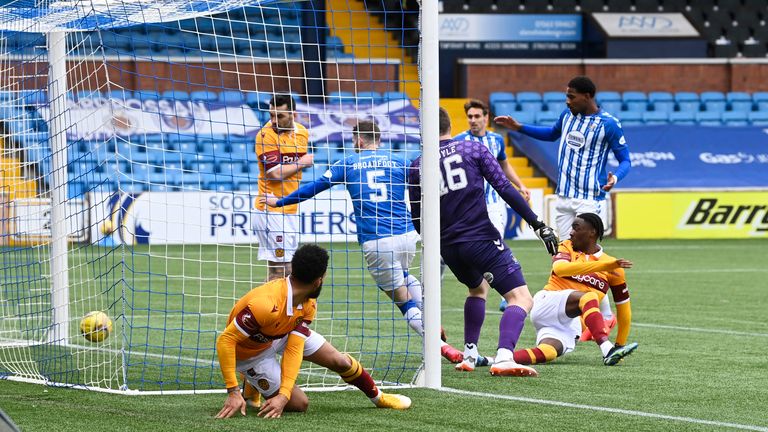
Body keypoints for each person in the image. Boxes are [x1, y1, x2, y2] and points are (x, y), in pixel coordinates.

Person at [262, 120, 464, 364]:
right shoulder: (400, 161)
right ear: (378, 139)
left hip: (377, 241)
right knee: (405, 275)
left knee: (402, 300)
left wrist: (279, 202)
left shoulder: (348, 163)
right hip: (409, 236)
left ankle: (439, 345)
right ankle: (430, 318)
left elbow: (313, 188)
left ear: (359, 140)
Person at [408, 107, 558, 376]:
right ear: (450, 125)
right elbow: (504, 188)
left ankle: (469, 354)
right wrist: (538, 224)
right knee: (521, 298)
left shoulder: (417, 165)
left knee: (477, 290)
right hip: (480, 237)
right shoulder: (472, 149)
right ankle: (503, 356)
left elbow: (418, 219)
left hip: (448, 246)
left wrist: (438, 246)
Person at [216, 244, 411, 420]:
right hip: (250, 354)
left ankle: (379, 397)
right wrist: (232, 390)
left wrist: (283, 395)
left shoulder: (308, 303)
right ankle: (250, 384)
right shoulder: (266, 303)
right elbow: (225, 340)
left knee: (340, 361)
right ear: (319, 281)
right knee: (300, 404)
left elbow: (294, 349)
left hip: (281, 333)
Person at [495, 76, 631, 324]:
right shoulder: (567, 116)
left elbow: (626, 160)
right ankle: (569, 304)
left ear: (587, 96)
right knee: (562, 255)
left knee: (588, 257)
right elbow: (551, 134)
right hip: (564, 197)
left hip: (589, 198)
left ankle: (607, 315)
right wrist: (519, 127)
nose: (567, 101)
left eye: (571, 96)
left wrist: (615, 178)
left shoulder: (609, 124)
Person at [511, 213, 639, 366]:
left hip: (571, 323)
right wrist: (605, 266)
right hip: (547, 303)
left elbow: (624, 310)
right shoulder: (566, 246)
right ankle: (607, 349)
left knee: (548, 352)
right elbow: (560, 269)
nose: (571, 232)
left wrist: (620, 345)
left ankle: (494, 360)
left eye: (576, 228)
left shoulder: (614, 268)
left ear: (592, 232)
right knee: (588, 296)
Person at [254, 94, 314, 281]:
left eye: (279, 116)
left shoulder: (302, 132)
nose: (273, 120)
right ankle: (265, 309)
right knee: (281, 271)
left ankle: (269, 308)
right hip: (271, 209)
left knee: (285, 271)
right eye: (271, 115)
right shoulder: (265, 135)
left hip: (289, 208)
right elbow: (275, 173)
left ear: (293, 114)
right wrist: (302, 163)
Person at [454, 99, 531, 238]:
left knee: (496, 245)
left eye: (477, 116)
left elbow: (504, 164)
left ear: (486, 117)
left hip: (494, 204)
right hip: (468, 204)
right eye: (469, 116)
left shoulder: (497, 140)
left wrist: (520, 185)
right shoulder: (458, 140)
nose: (473, 120)